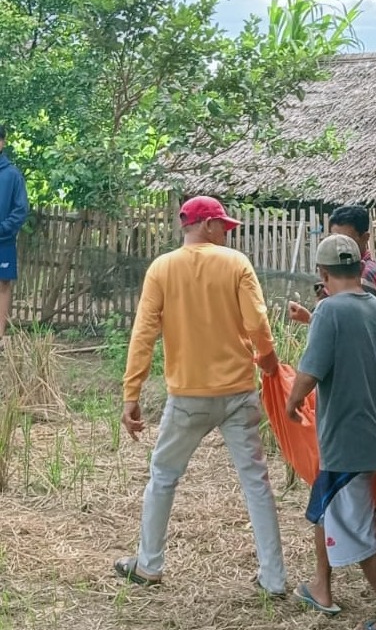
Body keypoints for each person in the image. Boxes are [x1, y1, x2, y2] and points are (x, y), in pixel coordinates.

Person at [115, 195, 287, 597]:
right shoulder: (236, 265)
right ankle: (274, 578)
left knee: (163, 477)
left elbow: (143, 334)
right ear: (205, 225)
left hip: (188, 397)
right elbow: (257, 321)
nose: (227, 232)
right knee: (256, 482)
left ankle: (149, 565)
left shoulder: (162, 268)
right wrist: (268, 359)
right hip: (239, 392)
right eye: (222, 225)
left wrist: (131, 393)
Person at [286, 234, 376, 630]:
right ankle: (320, 587)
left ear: (322, 275)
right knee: (325, 508)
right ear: (360, 268)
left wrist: (290, 403)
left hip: (346, 441)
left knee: (360, 531)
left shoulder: (328, 311)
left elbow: (310, 372)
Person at [0, 125, 29, 343]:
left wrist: (3, 229)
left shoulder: (12, 175)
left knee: (3, 285)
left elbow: (20, 210)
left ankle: (0, 336)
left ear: (3, 142)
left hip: (4, 241)